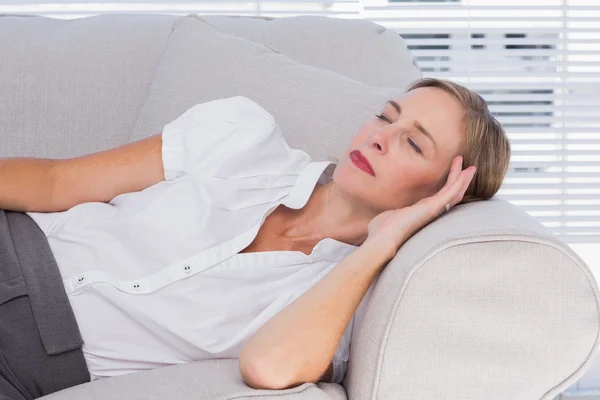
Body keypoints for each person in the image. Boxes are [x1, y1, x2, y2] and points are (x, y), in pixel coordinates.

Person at [0, 77, 511, 399]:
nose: (379, 136)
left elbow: (268, 367)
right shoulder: (240, 136)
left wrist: (381, 244)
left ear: (442, 194)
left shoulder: (347, 305)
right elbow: (56, 183)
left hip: (28, 363)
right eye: (386, 116)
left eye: (413, 144)